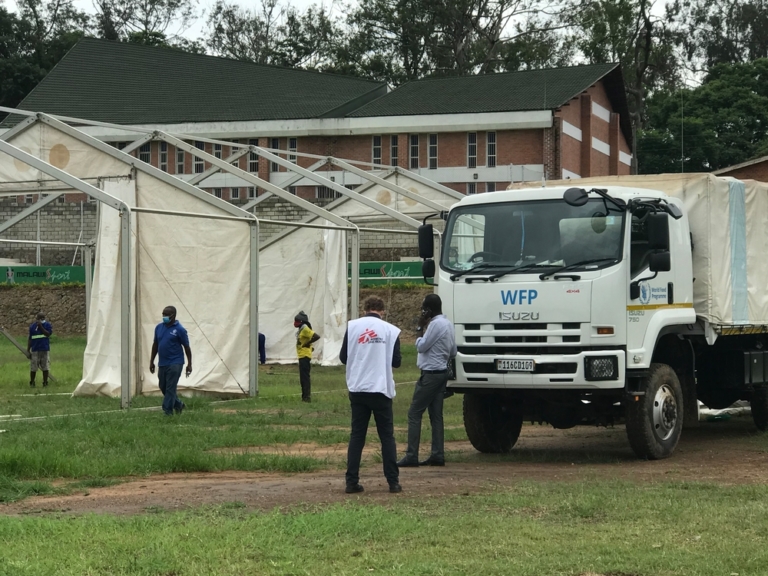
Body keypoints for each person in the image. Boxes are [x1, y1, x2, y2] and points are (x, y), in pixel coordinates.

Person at [340, 296, 402, 494]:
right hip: (381, 388)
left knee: (357, 436)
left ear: (364, 308)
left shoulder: (352, 327)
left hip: (358, 387)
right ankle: (393, 482)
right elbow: (397, 361)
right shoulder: (391, 330)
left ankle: (351, 482)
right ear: (381, 310)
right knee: (387, 437)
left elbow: (343, 357)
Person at [398, 294, 457, 467]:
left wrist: (419, 328)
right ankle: (437, 454)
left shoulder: (435, 324)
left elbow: (422, 346)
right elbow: (453, 352)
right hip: (442, 373)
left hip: (430, 374)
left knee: (414, 413)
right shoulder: (448, 324)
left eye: (423, 309)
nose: (422, 312)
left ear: (428, 310)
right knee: (436, 415)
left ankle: (411, 455)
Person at [149, 305, 192, 416]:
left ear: (173, 315)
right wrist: (151, 361)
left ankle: (167, 411)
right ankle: (178, 404)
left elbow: (187, 347)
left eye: (167, 314)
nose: (164, 316)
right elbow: (155, 344)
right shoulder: (159, 327)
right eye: (163, 314)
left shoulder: (180, 329)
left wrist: (189, 364)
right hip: (163, 362)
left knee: (170, 387)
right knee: (163, 386)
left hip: (175, 362)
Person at [294, 311, 320, 402]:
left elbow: (316, 336)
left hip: (305, 356)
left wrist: (307, 344)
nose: (295, 322)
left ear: (301, 321)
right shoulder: (301, 329)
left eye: (297, 320)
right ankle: (304, 396)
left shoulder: (305, 328)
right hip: (302, 355)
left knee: (305, 378)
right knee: (303, 377)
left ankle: (306, 397)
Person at [27, 311, 52, 388]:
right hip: (35, 349)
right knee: (34, 367)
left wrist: (41, 327)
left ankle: (45, 382)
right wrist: (28, 350)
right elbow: (30, 339)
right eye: (38, 319)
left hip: (44, 349)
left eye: (42, 319)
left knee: (45, 366)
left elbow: (48, 334)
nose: (40, 320)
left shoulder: (47, 325)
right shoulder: (32, 327)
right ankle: (32, 382)